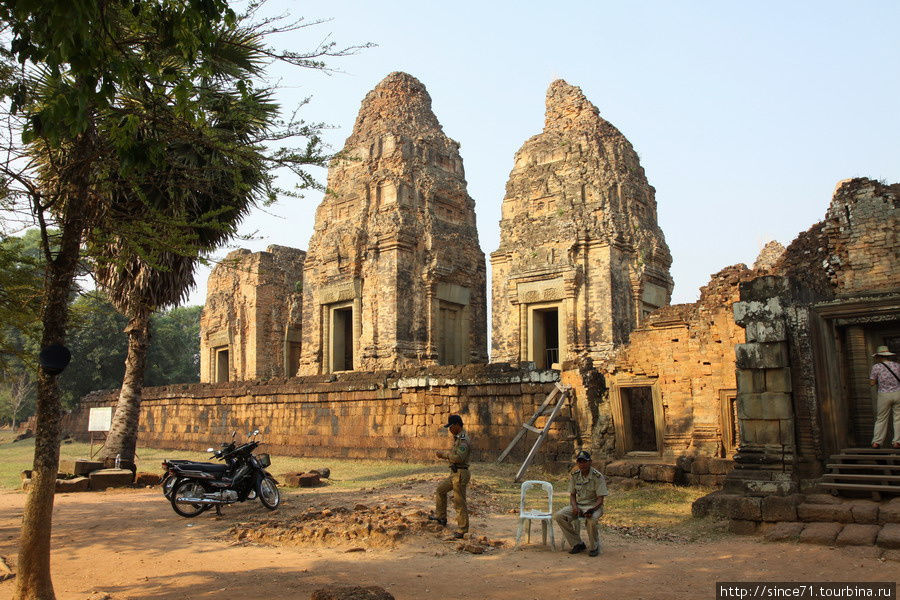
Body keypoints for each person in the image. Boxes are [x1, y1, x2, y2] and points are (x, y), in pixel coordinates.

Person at [554, 450, 608, 556]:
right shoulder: (575, 475)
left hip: (594, 506)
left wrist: (591, 510)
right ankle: (577, 543)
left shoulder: (597, 477)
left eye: (584, 461)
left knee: (591, 520)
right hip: (579, 505)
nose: (582, 464)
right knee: (559, 515)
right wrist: (574, 507)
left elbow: (600, 499)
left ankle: (594, 547)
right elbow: (572, 495)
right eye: (580, 462)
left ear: (590, 462)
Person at [429, 414, 471, 539]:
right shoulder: (457, 438)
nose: (450, 430)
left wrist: (444, 455)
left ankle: (462, 529)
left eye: (451, 427)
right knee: (440, 490)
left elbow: (459, 457)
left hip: (460, 473)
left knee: (459, 502)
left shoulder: (464, 440)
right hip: (454, 473)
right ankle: (441, 517)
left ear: (457, 425)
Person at [870, 345, 900, 449]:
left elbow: (872, 383)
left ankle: (876, 442)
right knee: (898, 418)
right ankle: (897, 442)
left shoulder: (876, 367)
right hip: (898, 393)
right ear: (888, 356)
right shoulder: (897, 365)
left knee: (881, 418)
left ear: (879, 356)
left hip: (884, 394)